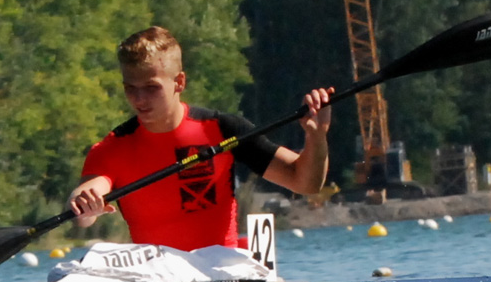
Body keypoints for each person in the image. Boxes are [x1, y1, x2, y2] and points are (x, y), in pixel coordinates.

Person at [69, 26, 332, 251]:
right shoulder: (112, 148)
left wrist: (316, 137)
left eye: (151, 88)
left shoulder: (223, 130)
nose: (139, 99)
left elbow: (305, 182)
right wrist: (85, 205)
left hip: (222, 271)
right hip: (156, 280)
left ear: (179, 82)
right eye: (131, 89)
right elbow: (87, 200)